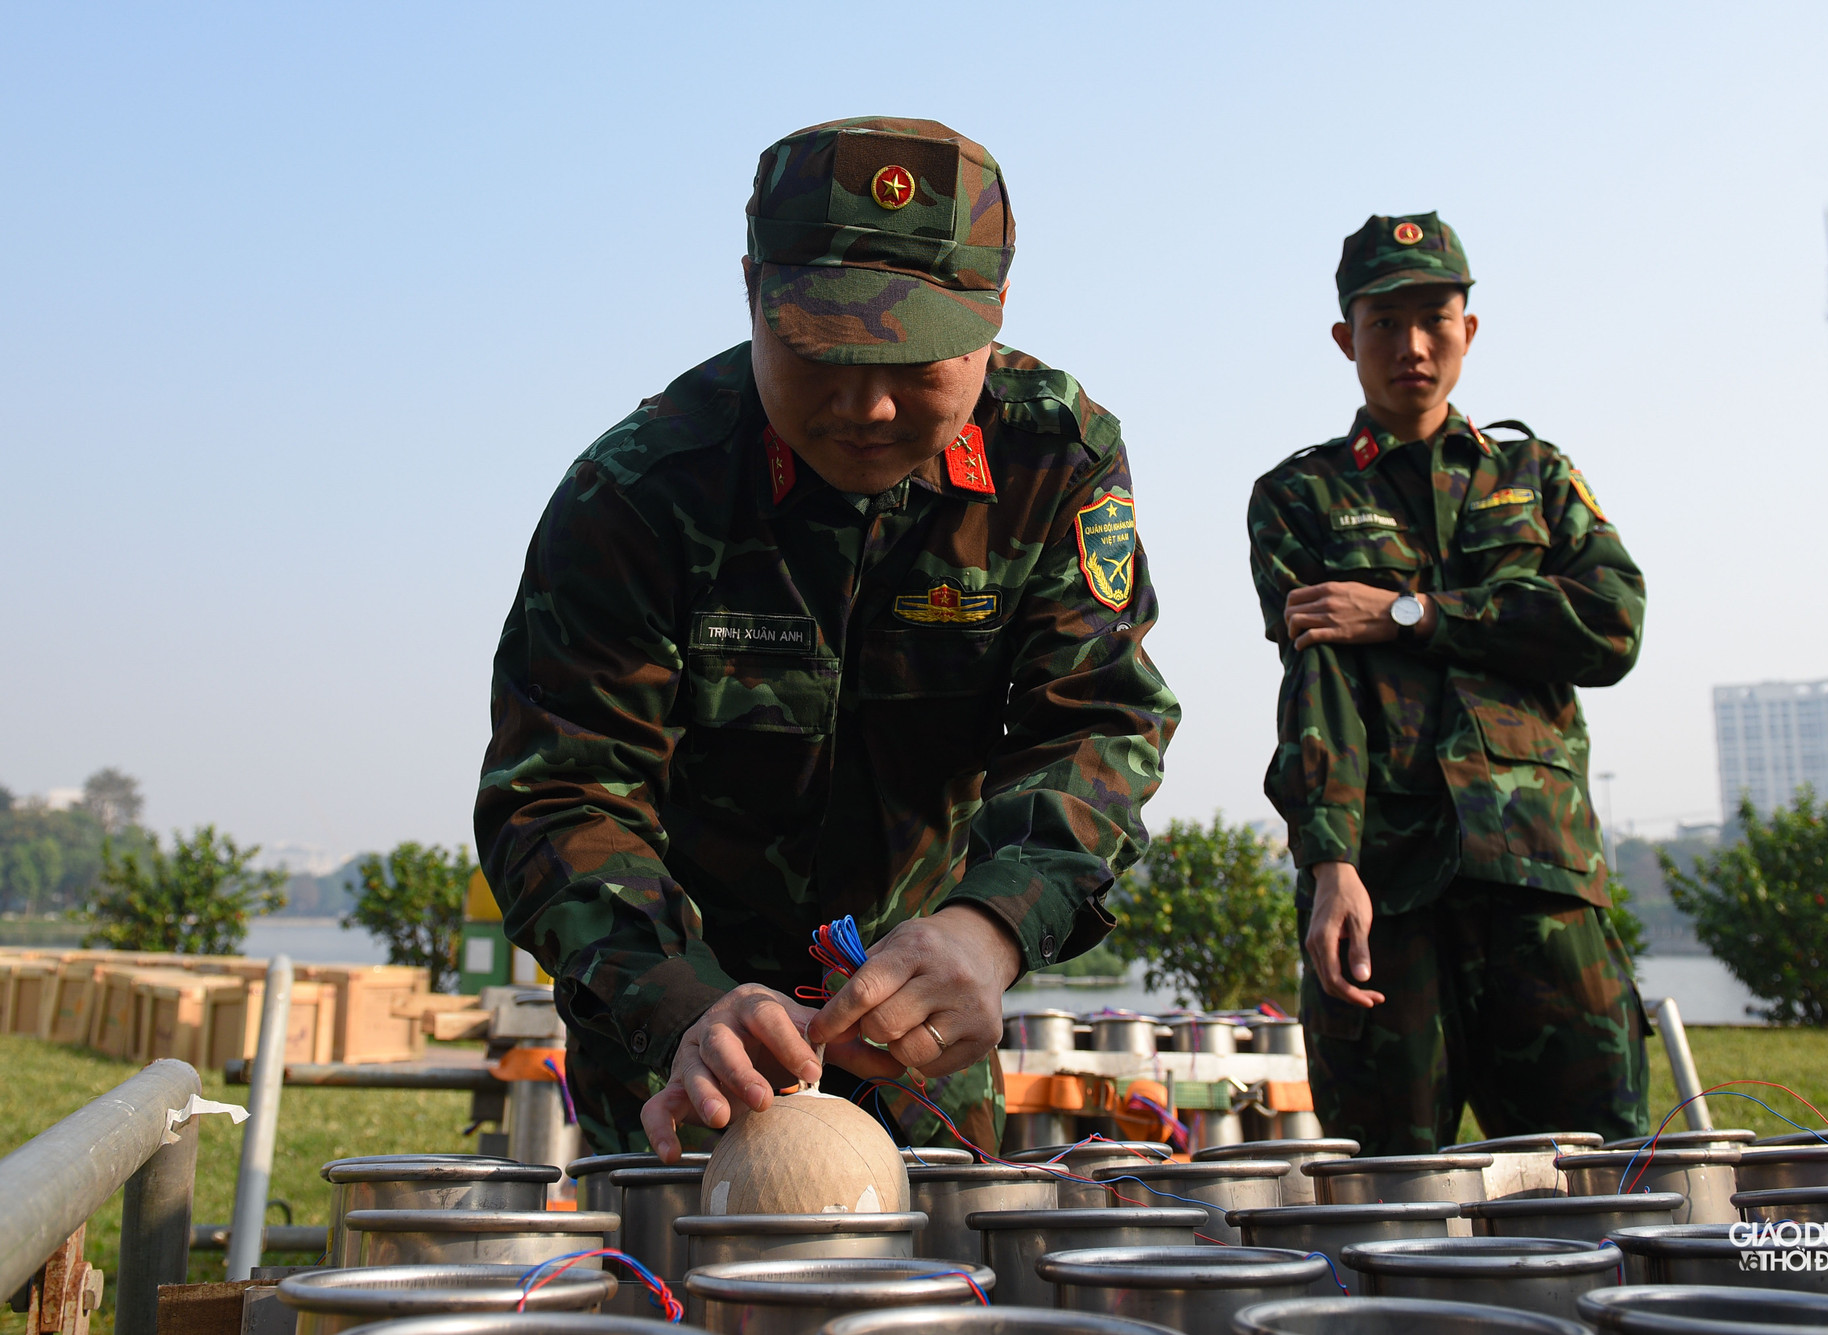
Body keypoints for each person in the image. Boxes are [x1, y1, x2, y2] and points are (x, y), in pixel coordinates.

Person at [475, 117, 1178, 1161]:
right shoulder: (641, 489)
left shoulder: (1051, 463)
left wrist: (991, 928)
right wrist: (679, 1004)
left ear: (992, 314)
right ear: (751, 289)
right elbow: (559, 795)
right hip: (683, 1068)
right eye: (819, 350)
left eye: (916, 359)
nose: (867, 403)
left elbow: (1094, 730)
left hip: (925, 1041)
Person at [1245, 213, 1649, 1153]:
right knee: (1389, 1183)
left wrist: (1410, 613)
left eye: (1434, 317)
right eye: (1384, 322)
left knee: (1590, 1174)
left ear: (1471, 328)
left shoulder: (1537, 476)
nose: (1411, 346)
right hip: (1388, 884)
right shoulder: (1300, 497)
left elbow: (1612, 624)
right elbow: (1319, 685)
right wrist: (1329, 860)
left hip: (1541, 875)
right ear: (1347, 338)